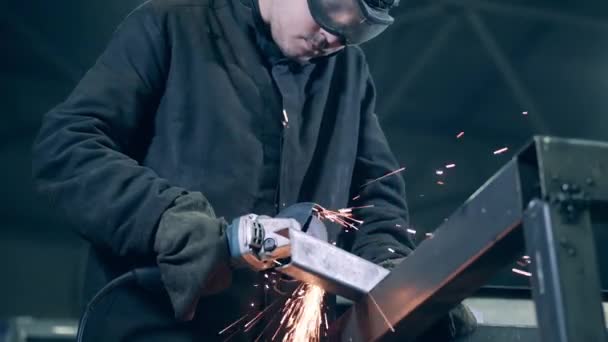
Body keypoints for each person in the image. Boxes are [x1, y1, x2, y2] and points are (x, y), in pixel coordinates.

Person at [32, 0, 476, 340]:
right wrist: (167, 220)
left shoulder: (347, 73)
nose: (334, 37)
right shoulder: (174, 22)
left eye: (357, 28)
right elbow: (68, 146)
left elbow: (377, 202)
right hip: (158, 318)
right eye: (332, 9)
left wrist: (399, 280)